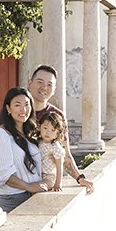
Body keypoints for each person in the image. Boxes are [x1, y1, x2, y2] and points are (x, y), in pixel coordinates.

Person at [27, 64, 95, 193]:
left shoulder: (57, 116)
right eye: (40, 82)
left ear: (54, 90)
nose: (44, 88)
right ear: (30, 83)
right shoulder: (19, 110)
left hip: (44, 183)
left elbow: (65, 155)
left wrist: (80, 178)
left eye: (49, 85)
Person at [0, 87, 50, 204]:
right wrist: (29, 186)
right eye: (17, 105)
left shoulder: (31, 133)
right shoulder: (1, 134)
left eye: (27, 104)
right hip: (12, 198)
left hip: (33, 195)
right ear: (8, 109)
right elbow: (4, 175)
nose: (23, 109)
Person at [36, 110, 68, 191]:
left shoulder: (55, 147)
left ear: (57, 133)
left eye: (52, 130)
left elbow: (59, 167)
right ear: (40, 127)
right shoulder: (37, 142)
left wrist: (58, 184)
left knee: (40, 187)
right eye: (45, 128)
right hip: (37, 174)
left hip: (49, 176)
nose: (48, 132)